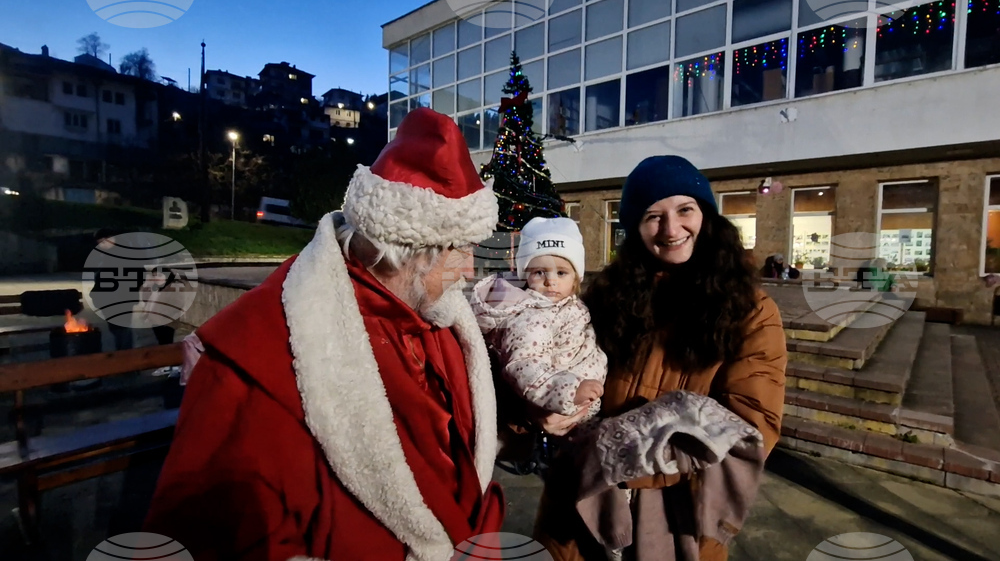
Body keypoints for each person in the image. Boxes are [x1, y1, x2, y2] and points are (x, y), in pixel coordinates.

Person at [143, 108, 506, 560]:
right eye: (459, 250)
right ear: (406, 251)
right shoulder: (258, 348)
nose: (470, 270)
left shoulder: (439, 320)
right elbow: (216, 534)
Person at [531, 155, 787, 561]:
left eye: (685, 209)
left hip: (677, 518)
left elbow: (751, 425)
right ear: (634, 227)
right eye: (653, 216)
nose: (671, 229)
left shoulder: (750, 310)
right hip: (579, 506)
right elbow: (550, 366)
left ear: (706, 214)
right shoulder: (606, 295)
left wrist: (615, 451)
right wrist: (541, 410)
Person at [470, 216, 607, 422]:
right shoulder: (530, 317)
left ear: (575, 278)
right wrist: (570, 390)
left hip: (584, 408)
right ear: (526, 276)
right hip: (561, 406)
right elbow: (525, 365)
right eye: (540, 272)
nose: (550, 281)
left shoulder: (573, 306)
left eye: (561, 273)